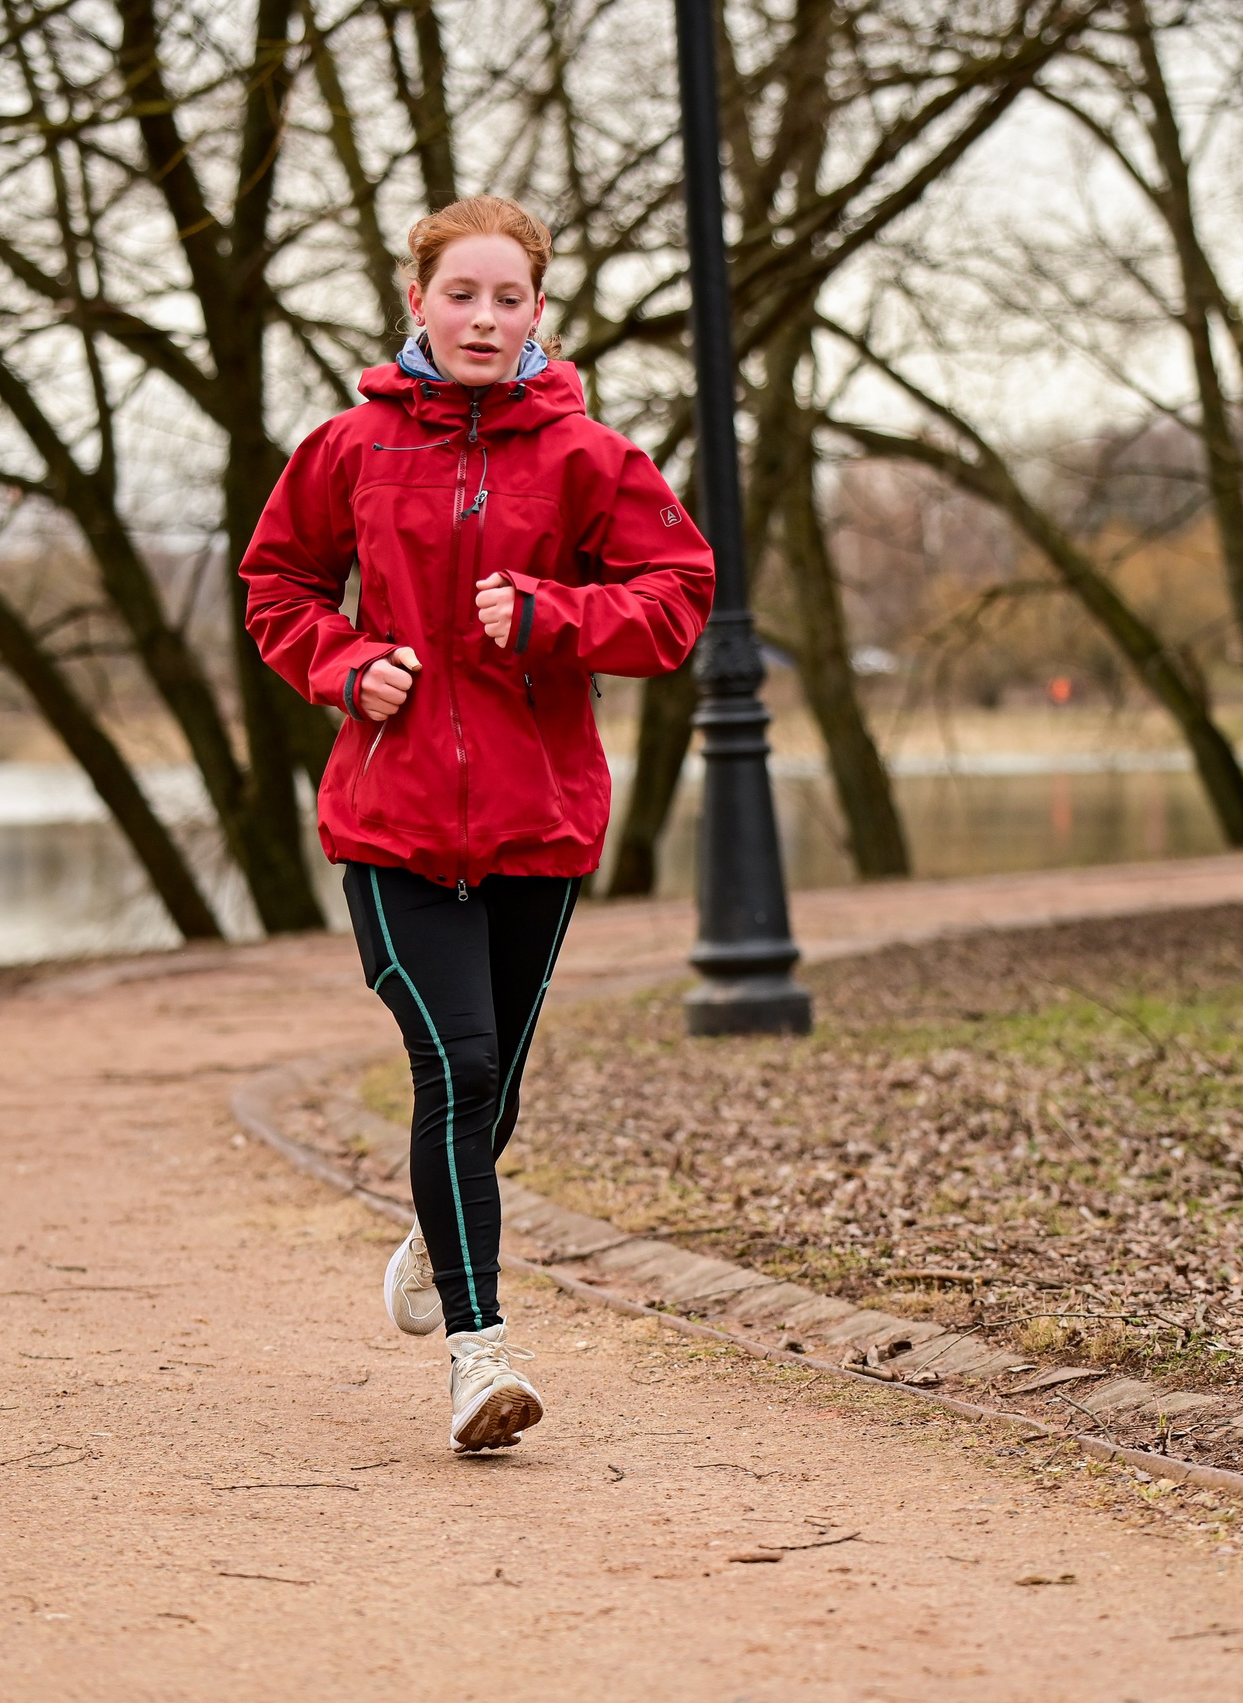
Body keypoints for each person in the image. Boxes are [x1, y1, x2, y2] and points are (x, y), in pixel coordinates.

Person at [240, 196, 715, 1452]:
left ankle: (438, 1222)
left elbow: (676, 596)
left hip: (536, 819)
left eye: (510, 299)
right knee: (454, 1061)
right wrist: (344, 667)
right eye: (462, 295)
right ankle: (478, 1357)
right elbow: (277, 585)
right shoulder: (349, 447)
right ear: (418, 302)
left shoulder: (587, 458)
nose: (485, 318)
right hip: (388, 820)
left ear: (539, 312)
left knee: (487, 1085)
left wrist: (555, 618)